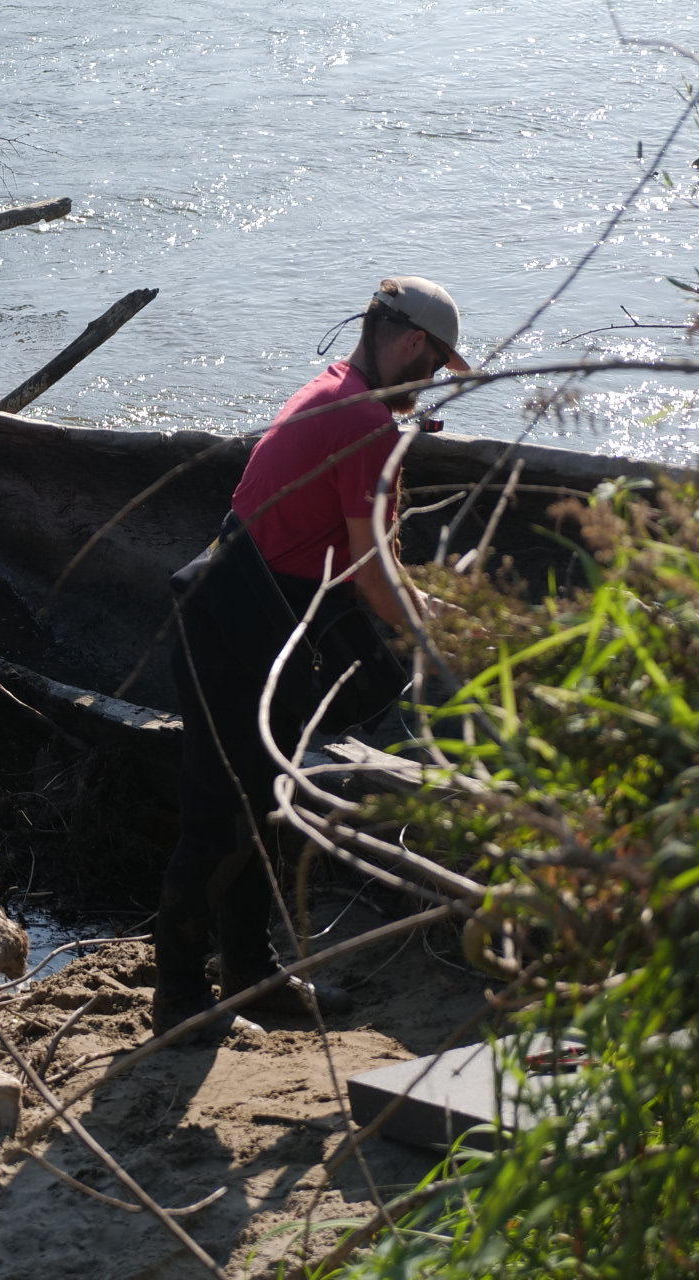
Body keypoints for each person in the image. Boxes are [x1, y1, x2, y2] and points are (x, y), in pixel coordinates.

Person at [152, 276, 470, 1035]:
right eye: (431, 369)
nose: (428, 387)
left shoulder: (341, 393)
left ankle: (250, 976)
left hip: (260, 618)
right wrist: (441, 648)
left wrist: (446, 613)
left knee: (263, 807)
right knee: (220, 818)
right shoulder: (360, 417)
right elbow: (372, 576)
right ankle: (179, 1002)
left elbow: (375, 561)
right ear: (414, 344)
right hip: (239, 624)